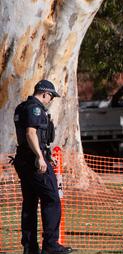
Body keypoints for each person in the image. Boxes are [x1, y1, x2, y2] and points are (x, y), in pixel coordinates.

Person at [13, 80, 73, 254]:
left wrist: (46, 156)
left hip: (24, 160)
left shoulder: (21, 107)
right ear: (45, 93)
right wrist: (40, 157)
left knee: (30, 203)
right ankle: (51, 245)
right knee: (52, 199)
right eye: (51, 97)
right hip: (33, 162)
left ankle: (30, 247)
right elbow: (31, 133)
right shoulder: (35, 108)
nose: (50, 100)